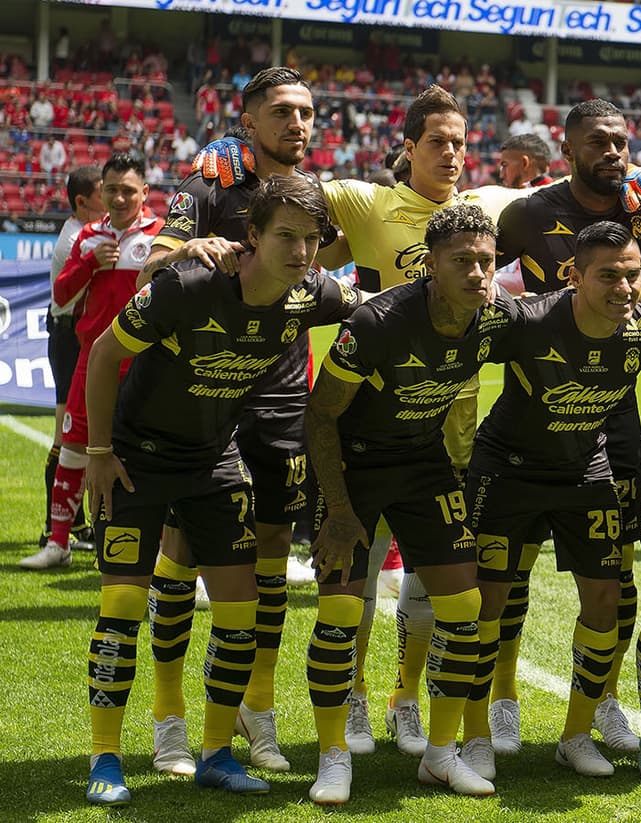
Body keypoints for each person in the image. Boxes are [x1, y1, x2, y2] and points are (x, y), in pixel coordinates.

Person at [79, 175, 361, 806]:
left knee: (241, 611)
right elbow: (101, 353)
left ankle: (215, 753)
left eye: (311, 239)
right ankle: (105, 758)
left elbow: (378, 308)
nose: (300, 251)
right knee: (122, 608)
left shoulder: (311, 292)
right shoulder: (191, 285)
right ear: (251, 235)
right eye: (285, 236)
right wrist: (98, 453)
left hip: (213, 460)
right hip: (139, 462)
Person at [312, 84, 524, 759]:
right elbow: (281, 193)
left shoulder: (485, 207)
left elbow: (569, 197)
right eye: (438, 141)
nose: (453, 153)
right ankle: (351, 695)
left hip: (451, 433)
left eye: (461, 142)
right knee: (359, 582)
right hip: (371, 431)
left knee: (431, 582)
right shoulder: (369, 203)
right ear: (408, 148)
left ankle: (406, 699)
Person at [141, 67, 323, 778]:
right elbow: (152, 268)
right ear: (247, 121)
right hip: (207, 396)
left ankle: (257, 705)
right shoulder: (208, 185)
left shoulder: (313, 193)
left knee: (272, 551)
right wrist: (189, 249)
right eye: (281, 112)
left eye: (306, 112)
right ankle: (168, 718)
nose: (297, 124)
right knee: (184, 549)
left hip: (281, 397)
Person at [485, 98, 641, 758]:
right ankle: (502, 697)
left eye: (621, 140)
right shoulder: (529, 213)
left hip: (613, 413)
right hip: (532, 405)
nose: (613, 152)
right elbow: (477, 267)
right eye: (598, 141)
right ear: (566, 150)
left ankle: (604, 698)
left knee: (613, 573)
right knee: (511, 570)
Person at [21, 155, 162, 572]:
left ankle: (156, 551)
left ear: (144, 193)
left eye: (128, 191)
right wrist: (89, 263)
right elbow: (61, 295)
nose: (119, 198)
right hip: (93, 359)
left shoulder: (160, 236)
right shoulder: (87, 237)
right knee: (73, 448)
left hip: (144, 362)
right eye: (111, 190)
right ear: (102, 191)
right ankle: (58, 543)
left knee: (151, 452)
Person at [21, 166, 103, 568]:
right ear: (82, 201)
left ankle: (79, 525)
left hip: (73, 334)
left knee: (82, 436)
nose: (110, 199)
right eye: (104, 192)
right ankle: (54, 528)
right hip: (70, 339)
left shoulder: (83, 232)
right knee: (67, 434)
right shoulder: (76, 240)